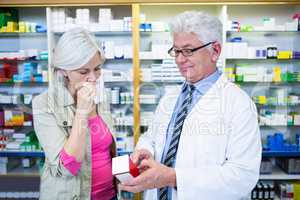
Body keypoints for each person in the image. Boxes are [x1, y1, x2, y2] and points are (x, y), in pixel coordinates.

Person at [120, 11, 262, 200]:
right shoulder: (170, 98)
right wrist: (146, 150)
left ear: (215, 51)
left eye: (188, 51)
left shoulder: (239, 104)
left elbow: (242, 176)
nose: (179, 60)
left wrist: (173, 178)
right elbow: (151, 136)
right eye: (176, 51)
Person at [32, 28, 117, 200]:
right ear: (64, 70)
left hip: (110, 195)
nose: (93, 78)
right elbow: (68, 166)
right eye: (83, 72)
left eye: (97, 69)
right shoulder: (44, 104)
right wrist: (81, 113)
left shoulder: (100, 97)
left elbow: (106, 150)